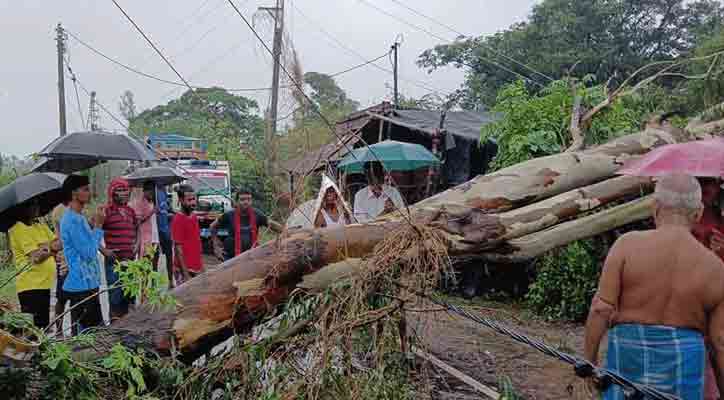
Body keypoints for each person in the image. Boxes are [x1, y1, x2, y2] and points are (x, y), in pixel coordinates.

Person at [584, 174, 724, 399]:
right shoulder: (715, 269)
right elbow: (719, 342)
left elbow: (601, 309)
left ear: (655, 207)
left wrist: (588, 362)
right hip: (683, 366)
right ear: (698, 213)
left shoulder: (626, 246)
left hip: (628, 359)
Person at [60, 182, 110, 332]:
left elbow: (88, 244)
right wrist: (99, 226)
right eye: (85, 189)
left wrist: (94, 224)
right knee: (87, 334)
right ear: (74, 194)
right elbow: (88, 253)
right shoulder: (71, 220)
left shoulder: (79, 217)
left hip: (88, 281)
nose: (90, 192)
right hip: (80, 284)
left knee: (94, 331)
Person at [692, 178, 724, 400]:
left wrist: (720, 252)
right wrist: (711, 255)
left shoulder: (720, 219)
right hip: (695, 296)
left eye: (710, 184)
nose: (705, 190)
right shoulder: (685, 221)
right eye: (700, 184)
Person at [8, 199, 61, 328]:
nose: (37, 207)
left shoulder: (40, 225)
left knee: (43, 326)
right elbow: (36, 257)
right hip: (31, 285)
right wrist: (50, 248)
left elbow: (58, 242)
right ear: (23, 208)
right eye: (32, 204)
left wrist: (45, 248)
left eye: (37, 203)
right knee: (33, 330)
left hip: (44, 284)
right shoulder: (18, 228)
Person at [210, 188, 282, 261]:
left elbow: (273, 225)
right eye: (242, 199)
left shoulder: (257, 214)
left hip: (252, 256)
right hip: (230, 257)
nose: (246, 202)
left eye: (249, 199)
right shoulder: (229, 215)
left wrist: (287, 231)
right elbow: (213, 226)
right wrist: (216, 247)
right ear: (236, 202)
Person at [102, 178, 137, 321]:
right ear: (112, 192)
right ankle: (114, 332)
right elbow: (91, 232)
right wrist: (104, 251)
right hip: (114, 263)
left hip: (131, 262)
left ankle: (127, 331)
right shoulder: (106, 211)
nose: (123, 193)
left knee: (129, 298)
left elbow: (136, 229)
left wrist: (136, 244)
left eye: (125, 190)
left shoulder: (130, 211)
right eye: (119, 190)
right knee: (115, 298)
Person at [171, 184, 203, 283]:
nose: (193, 202)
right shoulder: (178, 219)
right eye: (189, 200)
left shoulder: (193, 217)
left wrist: (201, 267)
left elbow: (196, 243)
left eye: (194, 199)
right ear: (180, 200)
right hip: (184, 270)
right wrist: (186, 275)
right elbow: (178, 249)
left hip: (196, 268)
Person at [50, 202, 73, 335]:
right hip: (65, 259)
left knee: (76, 296)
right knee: (62, 296)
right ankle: (58, 331)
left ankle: (74, 330)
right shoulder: (59, 210)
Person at [130, 182, 159, 260]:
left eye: (153, 190)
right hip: (145, 237)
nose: (151, 192)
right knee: (145, 260)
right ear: (144, 191)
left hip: (154, 235)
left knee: (154, 260)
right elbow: (138, 221)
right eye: (149, 190)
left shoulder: (153, 202)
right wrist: (151, 212)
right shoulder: (139, 203)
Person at [153, 184, 174, 289]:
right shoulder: (153, 191)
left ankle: (171, 280)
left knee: (169, 256)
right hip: (155, 230)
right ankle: (153, 283)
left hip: (166, 230)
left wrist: (171, 214)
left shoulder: (164, 192)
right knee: (154, 258)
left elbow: (168, 209)